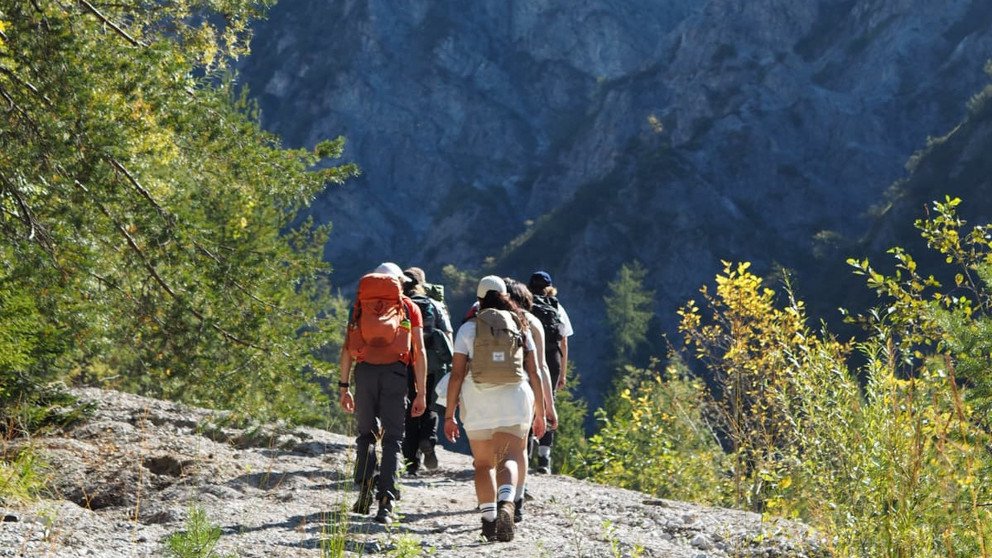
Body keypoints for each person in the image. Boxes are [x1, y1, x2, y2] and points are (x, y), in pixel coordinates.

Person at [443, 275, 546, 542]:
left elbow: (455, 375)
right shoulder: (521, 326)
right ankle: (507, 503)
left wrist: (449, 414)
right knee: (508, 457)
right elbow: (534, 372)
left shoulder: (468, 329)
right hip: (515, 400)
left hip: (478, 404)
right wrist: (542, 411)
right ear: (506, 297)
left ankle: (489, 521)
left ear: (478, 299)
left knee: (483, 464)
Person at [339, 262, 428, 524]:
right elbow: (419, 351)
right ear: (399, 283)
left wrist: (344, 387)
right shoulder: (409, 307)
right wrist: (421, 392)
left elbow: (347, 349)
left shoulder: (359, 306)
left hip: (365, 372)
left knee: (365, 435)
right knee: (393, 439)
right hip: (396, 375)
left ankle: (364, 493)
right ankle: (386, 503)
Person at [504, 277, 558, 522]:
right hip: (523, 391)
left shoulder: (483, 319)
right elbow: (541, 368)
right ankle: (518, 499)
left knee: (499, 446)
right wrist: (547, 406)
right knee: (521, 448)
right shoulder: (532, 321)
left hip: (491, 391)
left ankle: (499, 496)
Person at [401, 266, 453, 475]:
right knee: (430, 404)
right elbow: (448, 334)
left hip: (407, 363)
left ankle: (411, 462)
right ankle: (428, 439)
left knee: (410, 408)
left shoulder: (401, 304)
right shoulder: (435, 304)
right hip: (432, 364)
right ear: (423, 283)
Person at [526, 271, 574, 474]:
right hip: (552, 358)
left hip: (528, 357)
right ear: (550, 287)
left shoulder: (524, 305)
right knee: (547, 401)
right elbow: (564, 340)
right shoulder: (556, 306)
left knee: (527, 400)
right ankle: (544, 458)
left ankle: (525, 452)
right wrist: (562, 372)